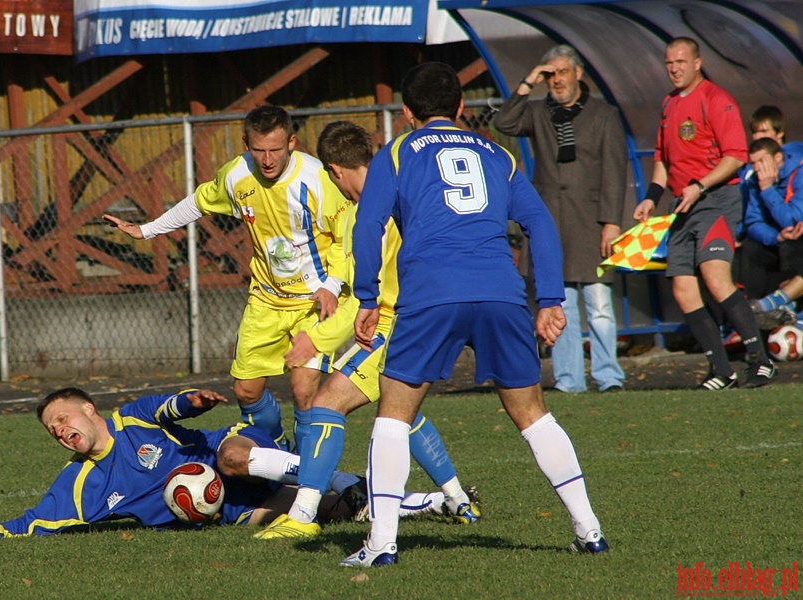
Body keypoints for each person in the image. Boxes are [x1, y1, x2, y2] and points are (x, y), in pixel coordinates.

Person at [342, 62, 608, 568]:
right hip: (500, 292)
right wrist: (550, 298)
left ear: (405, 112)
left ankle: (381, 545)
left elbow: (368, 224)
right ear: (461, 108)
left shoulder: (396, 153)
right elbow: (540, 225)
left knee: (394, 415)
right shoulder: (499, 156)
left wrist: (368, 296)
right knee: (533, 414)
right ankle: (589, 530)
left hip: (431, 294)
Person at [252, 121, 480, 540]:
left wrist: (315, 340)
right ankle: (458, 499)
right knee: (400, 411)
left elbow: (365, 296)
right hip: (428, 316)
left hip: (398, 323)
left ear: (335, 170)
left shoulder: (370, 210)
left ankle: (302, 517)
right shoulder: (402, 191)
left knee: (325, 405)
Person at [103, 105, 351, 453]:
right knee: (246, 391)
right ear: (245, 144)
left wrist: (332, 286)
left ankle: (309, 475)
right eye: (258, 150)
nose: (267, 159)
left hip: (312, 302)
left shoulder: (317, 179)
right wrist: (146, 231)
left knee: (303, 389)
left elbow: (346, 238)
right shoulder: (236, 175)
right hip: (265, 300)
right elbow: (198, 202)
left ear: (292, 142)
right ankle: (279, 447)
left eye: (275, 150)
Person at [0, 386, 447, 539]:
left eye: (63, 417)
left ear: (89, 410)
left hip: (228, 450)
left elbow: (170, 407)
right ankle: (434, 504)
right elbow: (40, 519)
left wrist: (193, 402)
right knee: (337, 510)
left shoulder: (132, 421)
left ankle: (283, 442)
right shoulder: (80, 484)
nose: (61, 430)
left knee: (232, 459)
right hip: (230, 507)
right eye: (52, 429)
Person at [633, 37, 775, 390]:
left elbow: (735, 156)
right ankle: (721, 369)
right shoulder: (668, 104)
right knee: (683, 290)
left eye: (681, 61)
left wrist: (699, 184)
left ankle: (761, 360)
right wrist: (651, 197)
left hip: (715, 201)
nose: (674, 68)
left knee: (715, 278)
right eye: (669, 62)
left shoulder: (717, 100)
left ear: (697, 63)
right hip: (682, 205)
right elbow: (663, 159)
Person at [493, 44, 627, 393]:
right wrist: (529, 81)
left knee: (598, 303)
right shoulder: (538, 112)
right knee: (559, 301)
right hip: (550, 222)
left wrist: (612, 221)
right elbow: (504, 121)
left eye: (562, 72)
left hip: (593, 221)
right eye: (550, 75)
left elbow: (615, 170)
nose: (556, 81)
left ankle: (609, 376)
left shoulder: (603, 114)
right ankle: (570, 381)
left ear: (578, 73)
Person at [741, 137, 803, 328]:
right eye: (753, 163)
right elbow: (753, 221)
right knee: (751, 250)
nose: (757, 168)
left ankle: (769, 306)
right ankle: (783, 311)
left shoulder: (798, 174)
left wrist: (768, 189)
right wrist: (775, 237)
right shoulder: (754, 180)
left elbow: (792, 220)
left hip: (798, 243)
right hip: (781, 243)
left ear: (777, 158)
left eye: (761, 161)